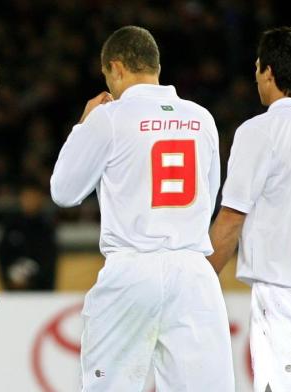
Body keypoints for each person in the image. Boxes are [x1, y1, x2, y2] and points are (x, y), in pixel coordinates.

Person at [51, 26, 234, 391]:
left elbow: (63, 191)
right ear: (155, 66)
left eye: (107, 76)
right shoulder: (202, 119)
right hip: (193, 273)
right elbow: (210, 195)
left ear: (115, 68)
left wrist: (83, 125)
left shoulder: (111, 117)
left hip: (132, 268)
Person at [208, 26, 291, 392]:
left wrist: (200, 280)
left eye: (256, 69)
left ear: (268, 72)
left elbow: (232, 217)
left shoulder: (261, 131)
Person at [0, 180, 57, 290]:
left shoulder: (46, 226)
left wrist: (33, 281)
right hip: (12, 289)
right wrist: (8, 280)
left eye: (33, 196)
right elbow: (2, 255)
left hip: (41, 292)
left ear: (40, 199)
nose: (29, 200)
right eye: (26, 196)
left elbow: (49, 259)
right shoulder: (11, 225)